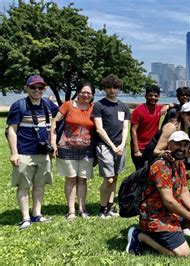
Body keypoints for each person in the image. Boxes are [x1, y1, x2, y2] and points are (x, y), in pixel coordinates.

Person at [125, 131, 190, 257]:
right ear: (169, 145)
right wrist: (189, 215)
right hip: (156, 216)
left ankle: (172, 233)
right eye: (178, 144)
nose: (182, 148)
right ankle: (140, 236)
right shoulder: (161, 166)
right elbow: (168, 201)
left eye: (185, 145)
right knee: (183, 254)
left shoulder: (179, 163)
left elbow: (183, 190)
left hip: (172, 213)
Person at [6, 75, 59, 229]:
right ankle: (25, 218)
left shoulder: (48, 104)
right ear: (27, 88)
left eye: (40, 87)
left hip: (43, 154)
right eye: (33, 87)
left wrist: (53, 143)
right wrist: (14, 152)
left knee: (39, 186)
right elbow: (12, 130)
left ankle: (37, 214)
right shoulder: (19, 106)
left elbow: (60, 116)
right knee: (23, 186)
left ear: (45, 89)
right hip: (24, 153)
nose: (37, 90)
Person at [50, 82, 95, 220]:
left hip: (87, 150)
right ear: (78, 92)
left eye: (89, 93)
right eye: (83, 92)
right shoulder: (68, 105)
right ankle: (71, 211)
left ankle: (82, 209)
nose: (85, 95)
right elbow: (55, 122)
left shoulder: (94, 108)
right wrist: (53, 142)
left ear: (92, 95)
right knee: (70, 179)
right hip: (67, 148)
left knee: (82, 180)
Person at [92, 74, 130, 218]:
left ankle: (110, 206)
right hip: (105, 146)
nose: (112, 90)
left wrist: (121, 145)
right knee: (108, 178)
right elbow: (99, 128)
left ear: (119, 88)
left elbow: (125, 128)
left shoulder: (123, 106)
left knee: (115, 177)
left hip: (120, 147)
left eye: (115, 87)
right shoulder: (99, 105)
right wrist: (113, 147)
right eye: (109, 87)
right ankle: (102, 209)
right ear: (104, 88)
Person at [130, 85, 168, 170]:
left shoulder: (159, 108)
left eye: (156, 96)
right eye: (150, 95)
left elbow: (174, 105)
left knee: (151, 172)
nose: (153, 98)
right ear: (145, 96)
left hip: (153, 147)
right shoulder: (138, 110)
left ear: (159, 97)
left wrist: (168, 106)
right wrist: (136, 150)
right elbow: (133, 130)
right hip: (140, 148)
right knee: (140, 173)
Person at [153, 102, 190, 169]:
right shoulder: (172, 127)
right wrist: (164, 154)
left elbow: (185, 153)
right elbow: (156, 151)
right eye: (189, 113)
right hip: (153, 160)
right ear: (182, 114)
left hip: (168, 162)